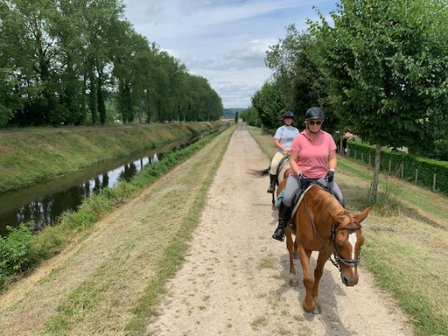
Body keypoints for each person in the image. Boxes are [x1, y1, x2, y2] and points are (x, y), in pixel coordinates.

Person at [272, 107, 344, 241]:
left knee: (340, 198)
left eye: (318, 122)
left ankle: (339, 230)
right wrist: (300, 174)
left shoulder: (328, 138)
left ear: (321, 123)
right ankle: (281, 227)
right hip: (300, 176)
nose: (315, 125)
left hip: (321, 175)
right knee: (287, 198)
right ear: (307, 123)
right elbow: (293, 160)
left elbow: (332, 157)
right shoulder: (299, 138)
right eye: (312, 122)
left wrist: (332, 170)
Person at [267, 111, 300, 193]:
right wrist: (284, 148)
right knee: (274, 165)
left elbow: (299, 142)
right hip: (282, 152)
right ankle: (272, 185)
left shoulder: (296, 130)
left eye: (290, 119)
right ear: (284, 120)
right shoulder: (280, 130)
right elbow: (276, 142)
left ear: (292, 120)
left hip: (294, 153)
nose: (288, 120)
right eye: (287, 119)